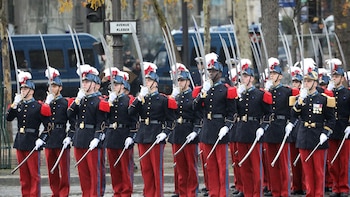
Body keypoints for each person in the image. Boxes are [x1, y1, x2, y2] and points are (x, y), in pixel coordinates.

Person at [287, 60, 335, 196]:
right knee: (307, 171)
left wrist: (326, 132)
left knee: (318, 172)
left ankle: (318, 194)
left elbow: (331, 119)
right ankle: (310, 193)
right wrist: (300, 101)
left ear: (315, 83)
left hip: (318, 136)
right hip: (304, 137)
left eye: (309, 81)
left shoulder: (323, 99)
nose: (306, 84)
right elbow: (294, 114)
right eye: (305, 81)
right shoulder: (301, 98)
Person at [128, 62, 177, 197]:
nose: (146, 83)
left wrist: (164, 133)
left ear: (155, 82)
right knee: (146, 169)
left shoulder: (162, 100)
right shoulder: (142, 99)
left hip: (156, 135)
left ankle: (158, 194)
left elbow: (170, 120)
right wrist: (138, 98)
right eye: (145, 80)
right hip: (143, 135)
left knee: (156, 169)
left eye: (149, 80)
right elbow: (130, 112)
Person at [193, 52, 237, 197]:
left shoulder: (226, 90)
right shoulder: (205, 89)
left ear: (219, 72)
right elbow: (195, 108)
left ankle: (222, 193)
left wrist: (227, 126)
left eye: (213, 71)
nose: (210, 73)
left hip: (220, 129)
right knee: (210, 166)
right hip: (207, 129)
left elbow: (232, 113)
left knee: (221, 166)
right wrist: (202, 93)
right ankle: (213, 193)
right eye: (209, 71)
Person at [6, 70, 51, 196]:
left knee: (34, 174)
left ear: (31, 91)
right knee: (23, 175)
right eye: (22, 89)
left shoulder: (38, 106)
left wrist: (42, 139)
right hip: (20, 141)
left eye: (25, 89)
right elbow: (8, 118)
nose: (23, 91)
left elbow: (49, 126)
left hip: (32, 141)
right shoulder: (19, 105)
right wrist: (14, 104)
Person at [67, 64, 110, 197]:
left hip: (92, 139)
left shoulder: (100, 101)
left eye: (87, 82)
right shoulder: (80, 100)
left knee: (95, 173)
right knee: (83, 173)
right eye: (83, 82)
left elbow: (102, 122)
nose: (84, 84)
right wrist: (77, 100)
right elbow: (70, 115)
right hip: (80, 139)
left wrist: (97, 137)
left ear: (96, 85)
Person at [233, 59, 272, 197]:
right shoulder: (240, 94)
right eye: (242, 76)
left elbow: (268, 114)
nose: (243, 79)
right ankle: (248, 193)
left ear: (252, 78)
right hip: (242, 132)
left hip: (255, 131)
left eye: (245, 76)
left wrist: (263, 127)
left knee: (256, 166)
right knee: (244, 167)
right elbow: (233, 112)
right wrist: (237, 97)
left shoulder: (260, 94)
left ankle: (257, 193)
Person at [263, 57, 299, 197]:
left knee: (283, 164)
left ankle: (284, 192)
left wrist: (291, 123)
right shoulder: (266, 92)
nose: (271, 76)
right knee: (272, 162)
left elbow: (294, 109)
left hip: (282, 127)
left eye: (274, 73)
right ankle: (275, 191)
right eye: (270, 74)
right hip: (270, 129)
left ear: (280, 76)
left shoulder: (286, 91)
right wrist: (265, 93)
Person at [170, 63, 202, 197]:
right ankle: (183, 193)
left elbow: (198, 117)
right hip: (177, 133)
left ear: (188, 82)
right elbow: (169, 114)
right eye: (178, 80)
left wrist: (195, 131)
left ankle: (192, 193)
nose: (180, 83)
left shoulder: (193, 97)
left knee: (191, 167)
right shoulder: (176, 97)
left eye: (182, 80)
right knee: (180, 168)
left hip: (189, 132)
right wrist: (172, 97)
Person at [103, 67, 136, 197]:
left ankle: (126, 192)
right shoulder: (109, 101)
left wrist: (131, 136)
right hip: (112, 136)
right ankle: (117, 191)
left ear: (123, 86)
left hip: (124, 135)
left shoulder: (128, 100)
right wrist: (109, 102)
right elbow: (103, 117)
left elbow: (134, 119)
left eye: (116, 84)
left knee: (125, 167)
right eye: (112, 85)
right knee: (114, 168)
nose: (113, 87)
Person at [43, 66, 74, 197]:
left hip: (61, 136)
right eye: (50, 86)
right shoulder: (46, 103)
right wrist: (46, 104)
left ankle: (64, 192)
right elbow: (41, 118)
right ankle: (55, 192)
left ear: (60, 88)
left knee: (63, 169)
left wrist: (69, 136)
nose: (52, 89)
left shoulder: (65, 102)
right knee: (51, 169)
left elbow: (72, 122)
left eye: (55, 86)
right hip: (49, 137)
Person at [326, 58, 350, 197]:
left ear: (342, 78)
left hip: (344, 128)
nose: (334, 79)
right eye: (333, 76)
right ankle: (335, 187)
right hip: (332, 129)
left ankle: (344, 187)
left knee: (344, 160)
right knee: (332, 160)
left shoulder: (347, 93)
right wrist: (327, 92)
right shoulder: (329, 93)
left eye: (336, 76)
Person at [289, 65, 306, 195]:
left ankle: (305, 186)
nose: (295, 84)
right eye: (294, 81)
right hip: (293, 130)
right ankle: (296, 185)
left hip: (304, 130)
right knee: (294, 160)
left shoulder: (306, 95)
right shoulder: (291, 95)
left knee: (303, 160)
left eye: (297, 82)